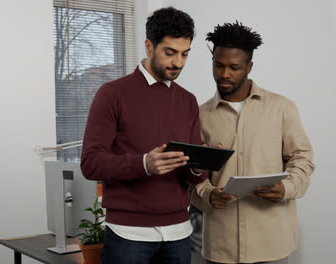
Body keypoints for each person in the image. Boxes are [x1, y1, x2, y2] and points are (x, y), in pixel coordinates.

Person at [81, 7, 208, 264]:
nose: (178, 63)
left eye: (185, 54)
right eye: (170, 53)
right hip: (129, 236)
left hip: (179, 233)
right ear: (149, 47)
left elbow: (191, 172)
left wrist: (203, 163)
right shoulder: (112, 94)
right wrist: (144, 164)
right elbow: (90, 163)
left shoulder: (188, 101)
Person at [191, 21, 315, 264]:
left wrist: (286, 188)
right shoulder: (199, 115)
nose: (225, 74)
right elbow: (191, 172)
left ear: (249, 66)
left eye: (234, 67)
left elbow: (302, 159)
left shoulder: (282, 108)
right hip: (220, 245)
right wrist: (207, 194)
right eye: (219, 65)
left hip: (271, 242)